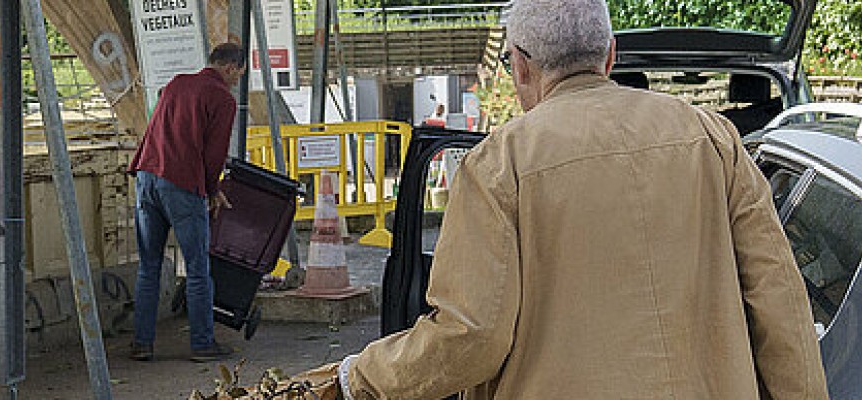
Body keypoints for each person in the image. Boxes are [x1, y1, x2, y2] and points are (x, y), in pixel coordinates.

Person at [309, 0, 831, 397]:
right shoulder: (715, 140)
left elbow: (470, 337)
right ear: (610, 55)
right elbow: (780, 306)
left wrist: (361, 376)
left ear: (519, 66)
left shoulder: (498, 165)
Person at [127, 43, 248, 362]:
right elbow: (214, 153)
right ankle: (202, 344)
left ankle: (142, 343)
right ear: (232, 67)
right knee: (197, 268)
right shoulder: (223, 98)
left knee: (149, 266)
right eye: (239, 72)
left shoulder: (176, 83)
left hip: (146, 175)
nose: (238, 79)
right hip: (181, 183)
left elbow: (154, 129)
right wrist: (212, 189)